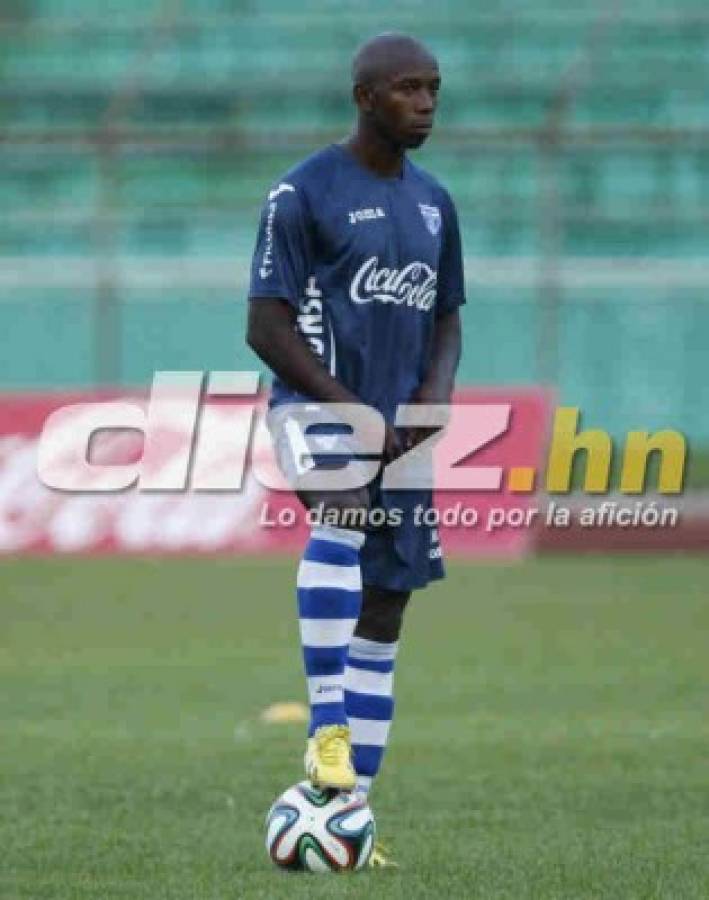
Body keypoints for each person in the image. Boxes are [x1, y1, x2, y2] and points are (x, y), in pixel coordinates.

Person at [247, 32, 464, 867]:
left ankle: (350, 818)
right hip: (317, 405)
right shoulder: (301, 192)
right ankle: (327, 727)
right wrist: (352, 410)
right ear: (365, 97)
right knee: (340, 511)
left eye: (433, 88)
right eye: (408, 88)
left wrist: (432, 397)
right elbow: (265, 326)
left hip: (402, 427)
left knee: (384, 612)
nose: (426, 103)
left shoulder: (435, 202)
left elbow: (446, 317)